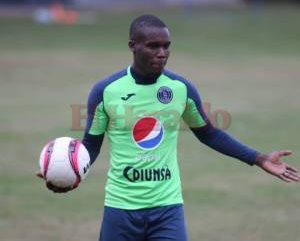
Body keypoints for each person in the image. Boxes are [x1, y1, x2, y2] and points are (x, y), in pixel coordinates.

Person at [37, 14, 299, 241]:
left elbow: (208, 133)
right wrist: (72, 173)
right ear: (133, 46)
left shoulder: (180, 89)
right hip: (120, 208)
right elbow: (91, 145)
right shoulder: (106, 91)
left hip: (167, 208)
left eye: (166, 46)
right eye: (153, 46)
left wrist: (258, 158)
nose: (161, 53)